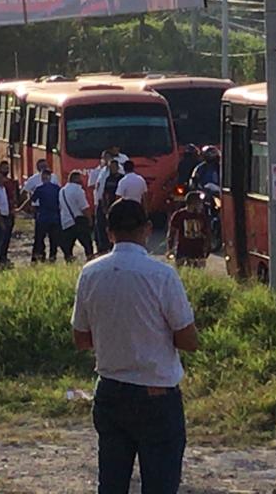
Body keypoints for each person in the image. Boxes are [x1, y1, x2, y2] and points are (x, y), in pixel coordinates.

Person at [72, 199, 198, 494]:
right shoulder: (162, 275)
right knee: (160, 484)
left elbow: (80, 339)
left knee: (112, 484)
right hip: (156, 394)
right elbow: (189, 341)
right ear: (147, 229)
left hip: (111, 390)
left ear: (109, 231)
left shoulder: (90, 273)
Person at [168, 192, 211, 269]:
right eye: (199, 203)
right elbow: (172, 232)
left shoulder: (202, 216)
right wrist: (170, 248)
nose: (201, 205)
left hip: (198, 251)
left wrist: (207, 247)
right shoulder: (179, 215)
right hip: (183, 250)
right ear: (192, 203)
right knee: (181, 271)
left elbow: (207, 233)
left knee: (198, 273)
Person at [60, 171, 95, 262]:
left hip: (66, 221)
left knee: (68, 246)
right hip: (79, 221)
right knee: (87, 244)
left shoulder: (62, 191)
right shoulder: (78, 190)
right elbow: (84, 207)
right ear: (76, 179)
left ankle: (69, 262)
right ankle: (90, 259)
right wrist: (90, 219)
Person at [31, 169, 63, 263]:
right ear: (50, 177)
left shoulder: (39, 189)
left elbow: (33, 199)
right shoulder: (57, 189)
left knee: (39, 238)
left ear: (42, 178)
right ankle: (52, 256)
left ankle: (39, 256)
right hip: (55, 218)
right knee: (53, 239)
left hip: (42, 217)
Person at [95, 159, 124, 253]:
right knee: (105, 226)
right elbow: (104, 193)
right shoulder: (108, 178)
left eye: (114, 167)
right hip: (108, 206)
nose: (112, 169)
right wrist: (104, 206)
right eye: (110, 167)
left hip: (118, 206)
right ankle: (105, 246)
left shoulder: (121, 178)